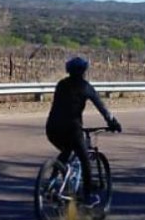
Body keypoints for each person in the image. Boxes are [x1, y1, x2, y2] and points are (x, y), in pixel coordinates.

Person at [45, 56, 122, 206]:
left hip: (52, 127)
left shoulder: (61, 84)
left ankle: (51, 183)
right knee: (85, 160)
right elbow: (102, 108)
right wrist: (113, 123)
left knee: (66, 151)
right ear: (84, 71)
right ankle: (87, 196)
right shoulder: (86, 87)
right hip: (72, 128)